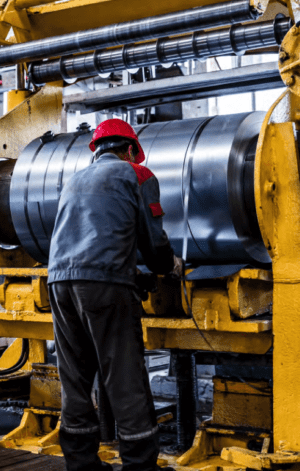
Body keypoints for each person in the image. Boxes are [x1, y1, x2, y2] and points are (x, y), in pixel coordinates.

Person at [47, 118, 182, 471]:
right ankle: (139, 464)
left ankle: (81, 462)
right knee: (124, 375)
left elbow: (85, 238)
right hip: (104, 286)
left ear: (97, 151)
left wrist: (128, 272)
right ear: (131, 150)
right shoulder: (137, 175)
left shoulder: (73, 180)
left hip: (59, 283)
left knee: (74, 376)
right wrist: (169, 265)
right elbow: (152, 241)